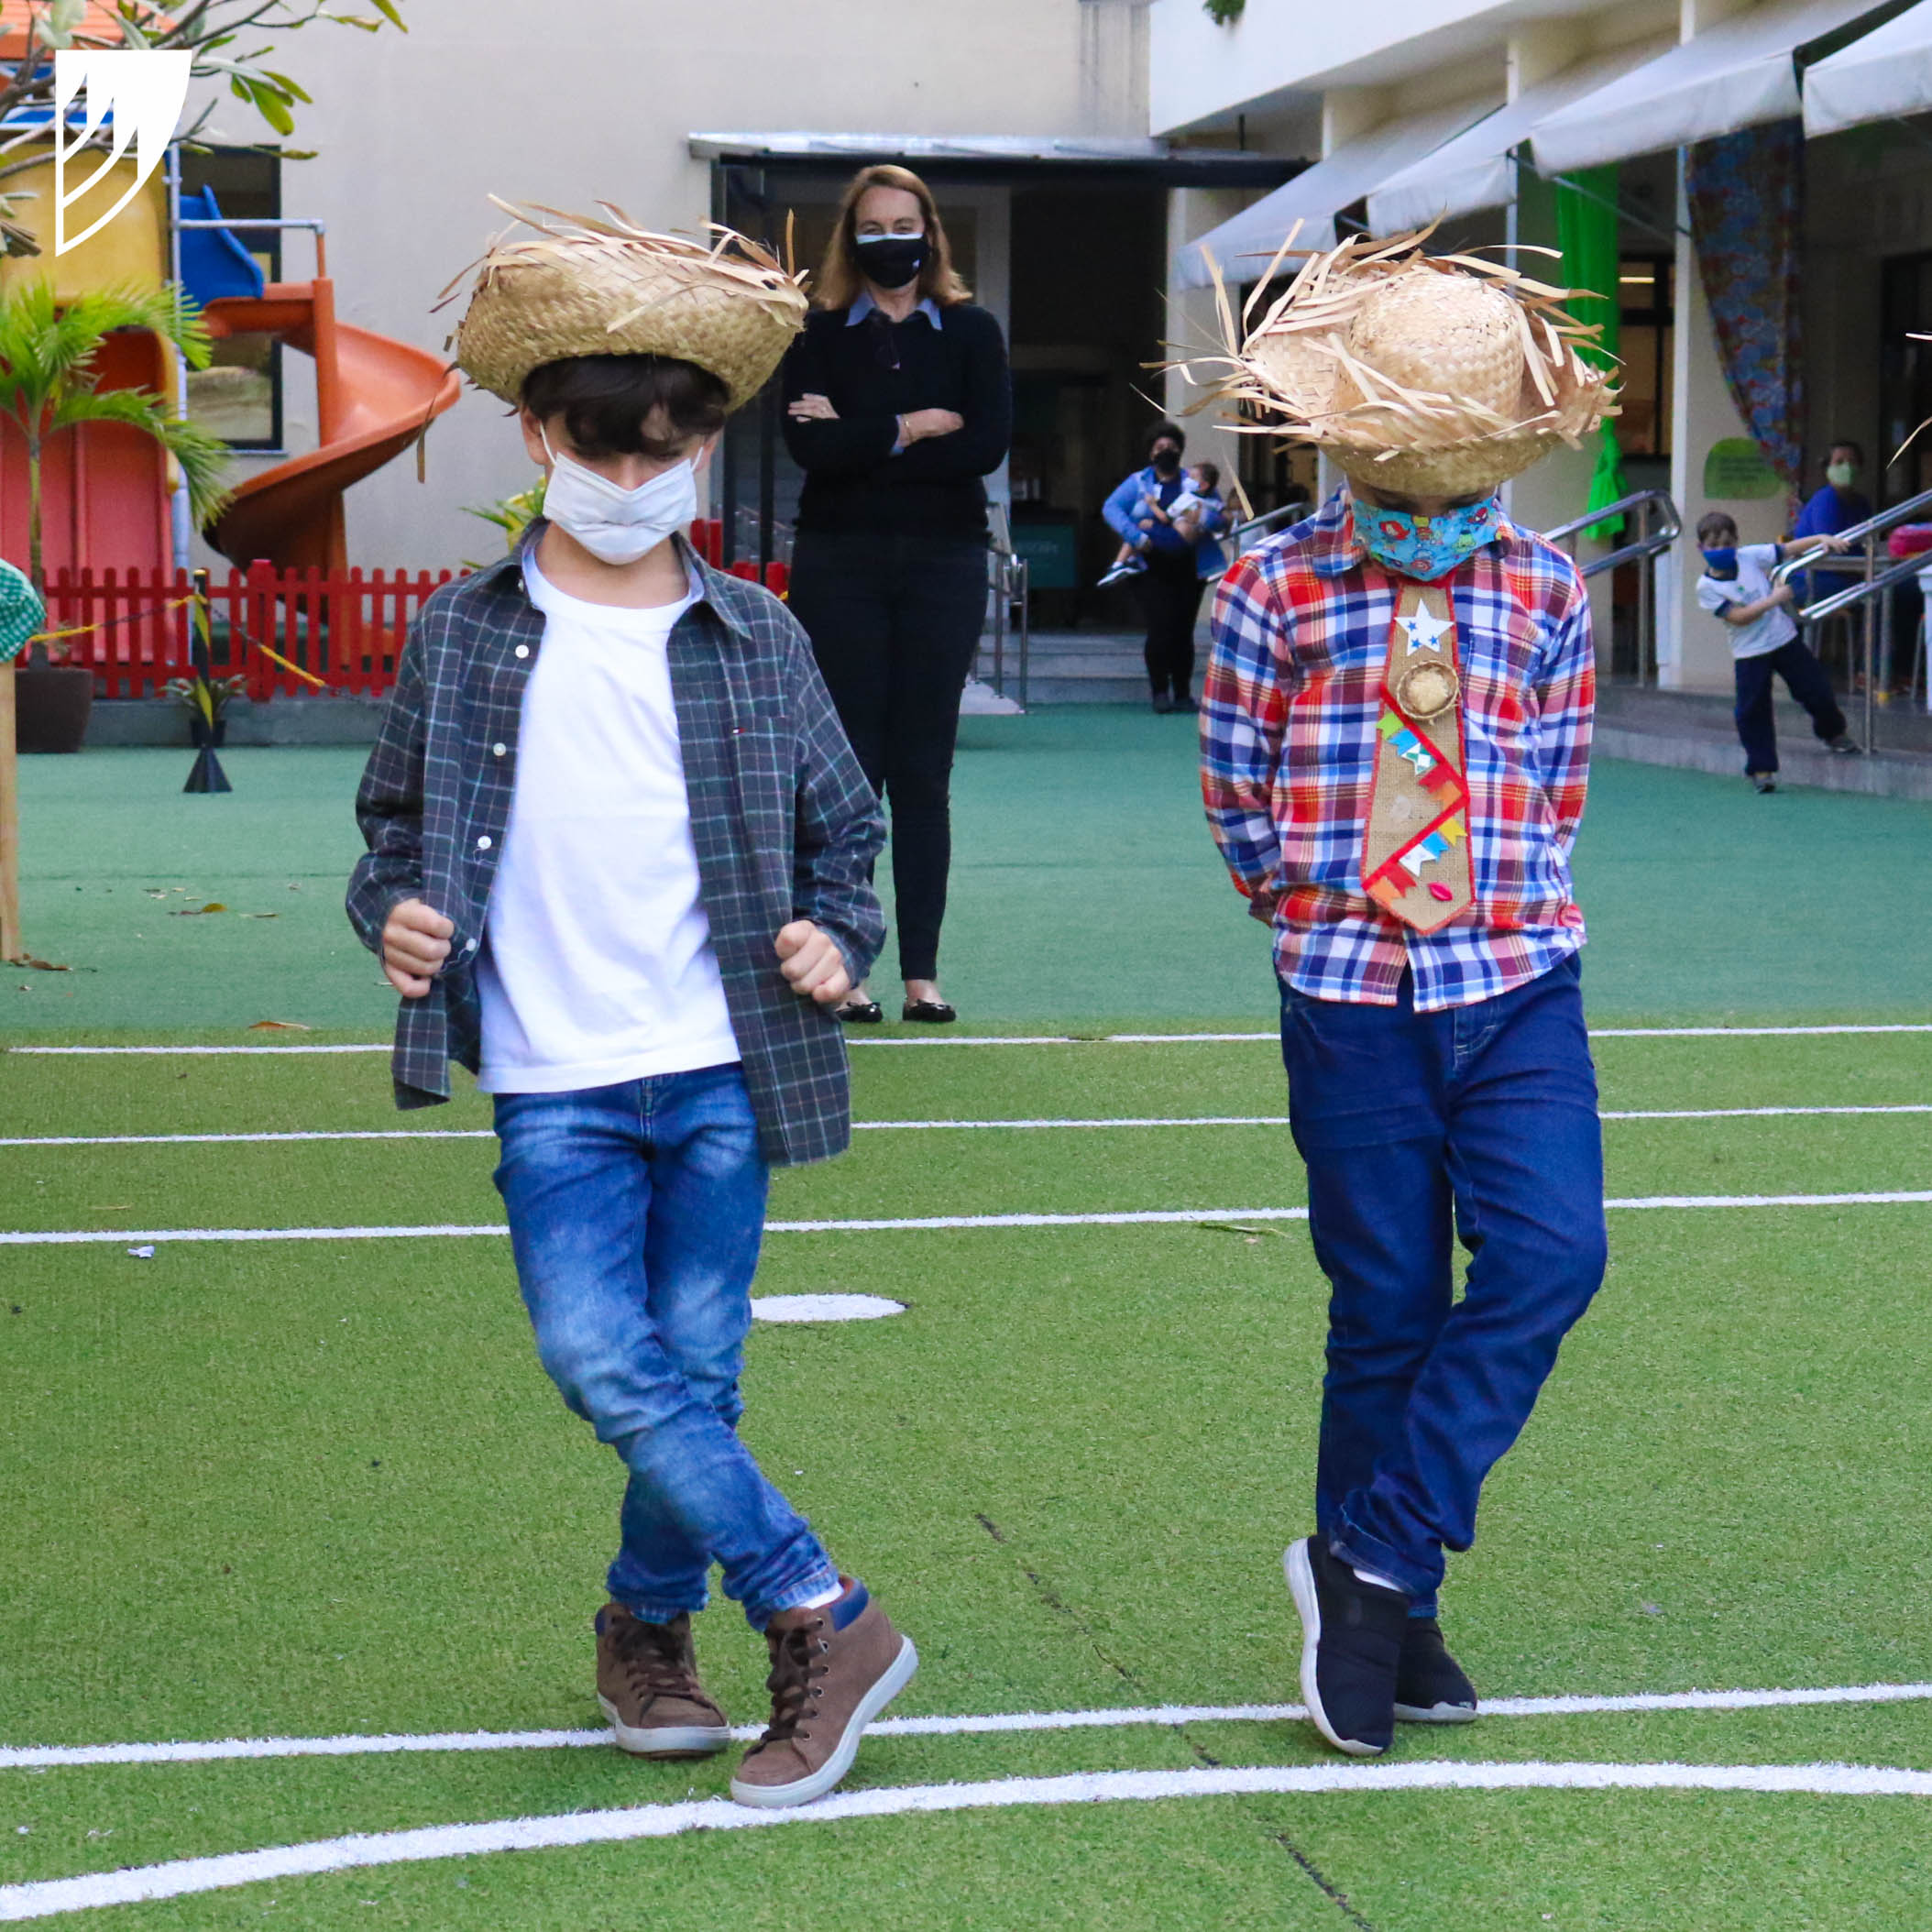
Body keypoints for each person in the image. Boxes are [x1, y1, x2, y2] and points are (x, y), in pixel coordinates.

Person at [346, 206, 916, 1811]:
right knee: (601, 1353)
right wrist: (392, 916)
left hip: (725, 1063)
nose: (628, 476)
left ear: (706, 446)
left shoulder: (757, 634)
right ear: (538, 436)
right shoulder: (462, 632)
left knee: (697, 1377)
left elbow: (844, 828)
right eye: (598, 449)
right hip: (553, 1077)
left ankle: (646, 1633)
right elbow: (393, 831)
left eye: (661, 449)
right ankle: (821, 1609)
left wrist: (837, 936)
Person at [1193, 234, 1621, 1758]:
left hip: (1515, 977)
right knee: (1383, 1305)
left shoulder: (1543, 585)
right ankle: (1395, 1617)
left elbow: (1553, 776)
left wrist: (1497, 894)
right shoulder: (1269, 582)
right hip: (1349, 988)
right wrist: (1314, 905)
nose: (1426, 509)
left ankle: (1371, 1556)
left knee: (1552, 1252)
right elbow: (1235, 787)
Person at [781, 162, 1012, 1028]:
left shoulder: (971, 330)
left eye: (904, 226)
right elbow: (811, 453)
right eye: (872, 228)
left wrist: (861, 436)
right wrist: (916, 426)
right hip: (838, 563)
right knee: (847, 771)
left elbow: (985, 446)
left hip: (944, 563)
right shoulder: (815, 334)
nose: (890, 242)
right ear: (852, 238)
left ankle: (923, 974)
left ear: (930, 234)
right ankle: (845, 964)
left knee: (922, 770)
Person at [1694, 511, 1860, 792]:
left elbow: (1786, 549)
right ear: (1701, 548)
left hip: (1784, 640)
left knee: (1817, 689)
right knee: (1752, 711)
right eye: (1714, 545)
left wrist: (1821, 539)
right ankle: (1761, 769)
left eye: (1727, 543)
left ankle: (1833, 733)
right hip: (1749, 653)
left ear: (1736, 542)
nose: (1721, 550)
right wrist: (1774, 599)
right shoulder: (1706, 587)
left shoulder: (1749, 556)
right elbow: (1739, 617)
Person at [1103, 423, 1230, 712]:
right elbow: (1111, 508)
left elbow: (1219, 517)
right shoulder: (1138, 483)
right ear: (1151, 453)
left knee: (1183, 630)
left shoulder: (1194, 482)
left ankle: (1183, 694)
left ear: (1180, 451)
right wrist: (1135, 536)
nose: (1166, 452)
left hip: (1189, 566)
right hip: (1149, 567)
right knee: (1160, 627)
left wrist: (1201, 518)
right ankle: (1159, 692)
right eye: (1160, 448)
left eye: (1171, 448)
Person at [1100, 458, 1230, 587]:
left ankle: (1119, 564)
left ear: (1203, 485)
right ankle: (1128, 562)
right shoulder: (1212, 502)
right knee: (1140, 530)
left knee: (1137, 530)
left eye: (1192, 477)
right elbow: (1226, 517)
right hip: (1182, 543)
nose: (1187, 479)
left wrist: (1152, 505)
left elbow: (1165, 518)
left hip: (1176, 539)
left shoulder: (1186, 499)